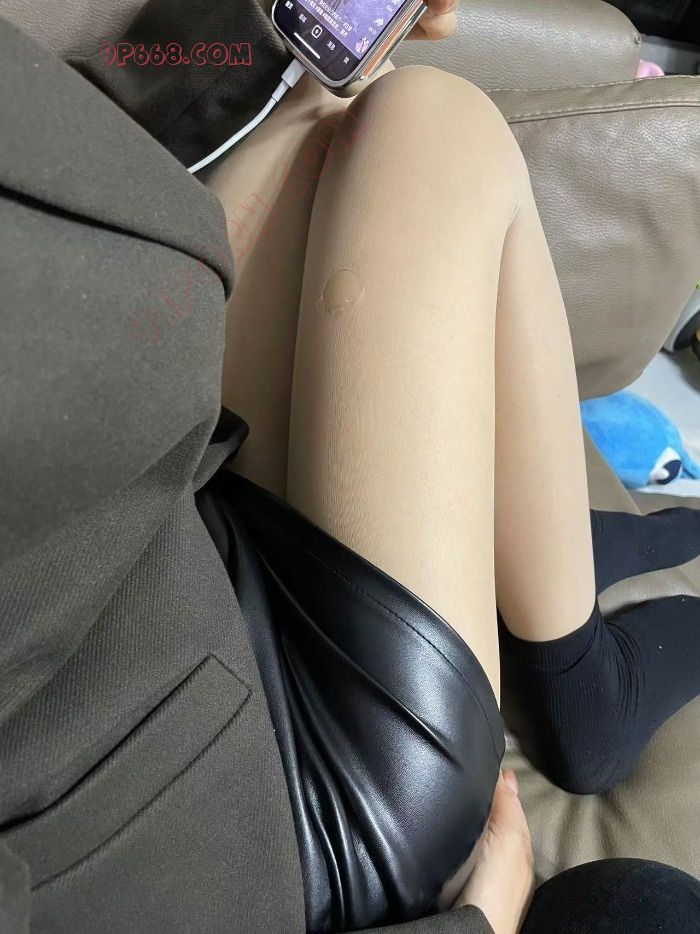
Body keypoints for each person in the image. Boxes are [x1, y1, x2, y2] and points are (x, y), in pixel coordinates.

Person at [0, 0, 698, 931]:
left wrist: (268, 47)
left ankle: (530, 554)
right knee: (438, 128)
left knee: (344, 112)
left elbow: (65, 197)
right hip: (274, 802)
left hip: (139, 514)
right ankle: (579, 677)